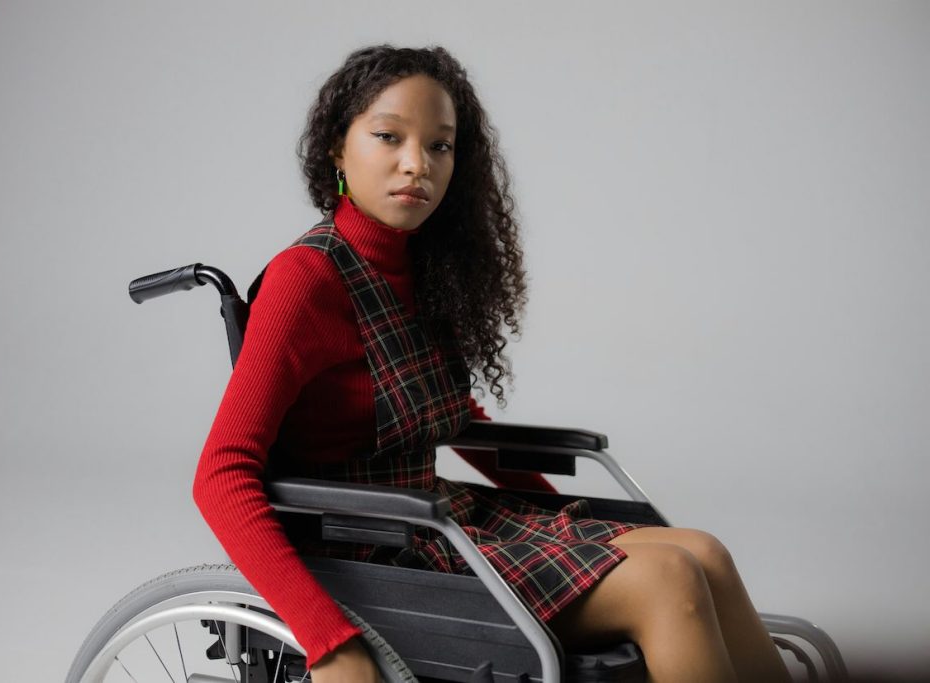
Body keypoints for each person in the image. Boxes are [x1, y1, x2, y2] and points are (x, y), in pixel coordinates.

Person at [193, 45, 791, 683]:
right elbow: (221, 475)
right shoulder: (304, 280)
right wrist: (330, 643)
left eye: (441, 146)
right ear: (339, 149)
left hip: (438, 519)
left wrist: (561, 524)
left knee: (705, 554)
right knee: (669, 580)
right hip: (372, 551)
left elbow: (448, 413)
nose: (416, 164)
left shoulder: (422, 267)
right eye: (388, 137)